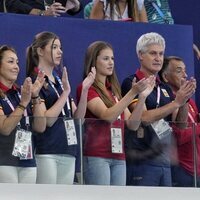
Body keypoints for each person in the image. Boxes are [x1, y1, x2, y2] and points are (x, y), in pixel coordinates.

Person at [121, 32, 196, 186]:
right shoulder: (132, 83)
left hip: (164, 160)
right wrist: (176, 103)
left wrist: (184, 99)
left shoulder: (165, 88)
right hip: (141, 161)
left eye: (161, 54)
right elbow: (143, 118)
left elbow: (180, 125)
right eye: (153, 53)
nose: (158, 58)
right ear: (141, 55)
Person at [76, 40, 155, 185]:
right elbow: (107, 116)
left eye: (112, 58)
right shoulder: (87, 88)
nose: (111, 62)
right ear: (94, 61)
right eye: (105, 59)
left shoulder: (113, 91)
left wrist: (142, 97)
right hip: (97, 155)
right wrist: (132, 93)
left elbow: (132, 124)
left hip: (119, 155)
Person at [26, 31, 96, 184]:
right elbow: (47, 120)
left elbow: (78, 119)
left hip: (68, 150)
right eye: (55, 47)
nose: (60, 51)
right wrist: (65, 93)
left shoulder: (58, 80)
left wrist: (84, 91)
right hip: (47, 151)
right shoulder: (35, 80)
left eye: (60, 47)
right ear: (40, 51)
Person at [0, 45, 46, 183]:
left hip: (27, 159)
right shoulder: (21, 98)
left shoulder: (21, 92)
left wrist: (35, 96)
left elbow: (40, 126)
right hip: (4, 160)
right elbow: (5, 128)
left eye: (17, 62)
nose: (16, 66)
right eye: (10, 62)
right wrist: (23, 104)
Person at [159, 56, 200, 187]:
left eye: (185, 70)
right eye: (179, 71)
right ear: (165, 77)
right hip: (183, 169)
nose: (185, 75)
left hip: (197, 169)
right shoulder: (168, 103)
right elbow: (179, 137)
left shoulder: (191, 102)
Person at [2, 0, 81, 17]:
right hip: (26, 25)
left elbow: (72, 8)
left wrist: (75, 5)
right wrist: (42, 13)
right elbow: (10, 3)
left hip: (53, 29)